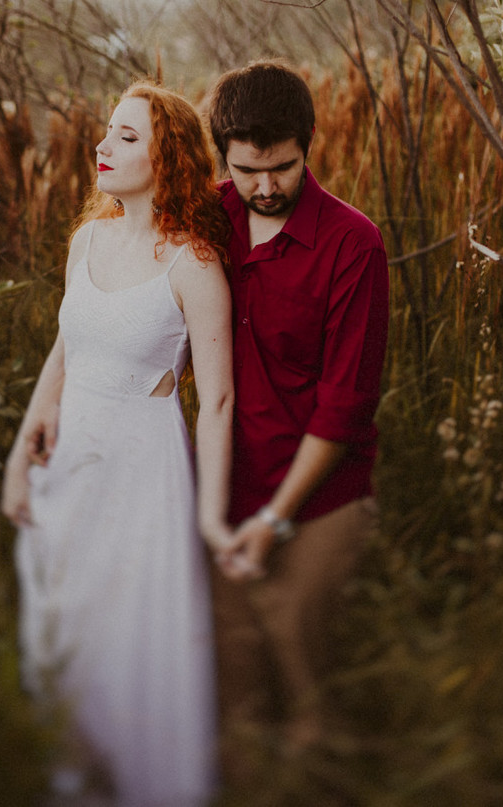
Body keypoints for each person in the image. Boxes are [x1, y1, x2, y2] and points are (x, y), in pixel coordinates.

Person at [0, 80, 234, 806]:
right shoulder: (87, 240)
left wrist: (210, 515)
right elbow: (67, 348)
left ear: (168, 159)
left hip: (143, 469)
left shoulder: (193, 263)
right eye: (107, 132)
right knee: (63, 632)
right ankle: (74, 782)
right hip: (69, 462)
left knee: (133, 638)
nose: (103, 146)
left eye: (127, 137)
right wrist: (21, 449)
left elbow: (219, 399)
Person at [204, 60, 390, 779]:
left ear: (309, 143)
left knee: (308, 680)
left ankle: (321, 787)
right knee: (235, 685)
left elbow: (344, 408)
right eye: (248, 170)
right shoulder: (207, 218)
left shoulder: (353, 244)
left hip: (318, 500)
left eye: (281, 166)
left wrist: (277, 517)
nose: (266, 187)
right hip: (225, 492)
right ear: (226, 155)